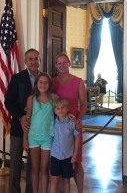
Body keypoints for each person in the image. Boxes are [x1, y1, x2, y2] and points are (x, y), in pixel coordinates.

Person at [5, 48, 41, 193]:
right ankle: (14, 190)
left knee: (34, 164)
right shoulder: (17, 78)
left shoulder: (45, 79)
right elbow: (9, 102)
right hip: (19, 127)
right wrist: (20, 117)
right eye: (30, 59)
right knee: (15, 162)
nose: (33, 62)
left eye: (36, 59)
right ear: (25, 61)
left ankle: (31, 190)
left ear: (39, 60)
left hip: (38, 129)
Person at [52, 52, 87, 193]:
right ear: (56, 66)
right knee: (59, 162)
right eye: (59, 63)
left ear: (69, 64)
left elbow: (84, 104)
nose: (62, 65)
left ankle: (80, 191)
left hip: (73, 125)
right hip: (58, 126)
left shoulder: (78, 81)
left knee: (76, 161)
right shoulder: (52, 82)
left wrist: (78, 119)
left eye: (64, 62)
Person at [23, 72, 58, 193]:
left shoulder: (54, 98)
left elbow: (61, 112)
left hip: (48, 137)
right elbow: (27, 120)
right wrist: (24, 139)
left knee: (44, 168)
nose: (43, 85)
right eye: (41, 82)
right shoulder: (31, 99)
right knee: (35, 168)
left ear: (49, 84)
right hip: (33, 137)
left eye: (46, 82)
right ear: (36, 84)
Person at [50, 98, 80, 193]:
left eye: (62, 108)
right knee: (54, 180)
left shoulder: (72, 123)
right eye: (57, 108)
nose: (60, 110)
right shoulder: (53, 123)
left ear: (68, 109)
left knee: (66, 180)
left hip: (67, 156)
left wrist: (75, 155)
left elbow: (77, 138)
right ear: (54, 110)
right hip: (55, 156)